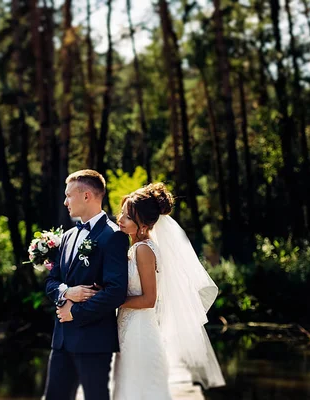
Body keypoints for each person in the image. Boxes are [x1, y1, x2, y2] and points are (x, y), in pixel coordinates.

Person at [114, 183, 225, 399]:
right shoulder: (136, 247)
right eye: (122, 213)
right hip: (128, 326)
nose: (120, 218)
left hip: (138, 330)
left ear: (143, 224)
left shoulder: (144, 249)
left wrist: (114, 300)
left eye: (127, 216)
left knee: (137, 389)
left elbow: (149, 299)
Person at [43, 169, 129, 400]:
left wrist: (76, 313)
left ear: (87, 196)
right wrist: (66, 292)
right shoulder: (68, 236)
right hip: (61, 339)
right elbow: (52, 281)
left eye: (69, 195)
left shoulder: (113, 236)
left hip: (93, 340)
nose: (65, 201)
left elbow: (115, 291)